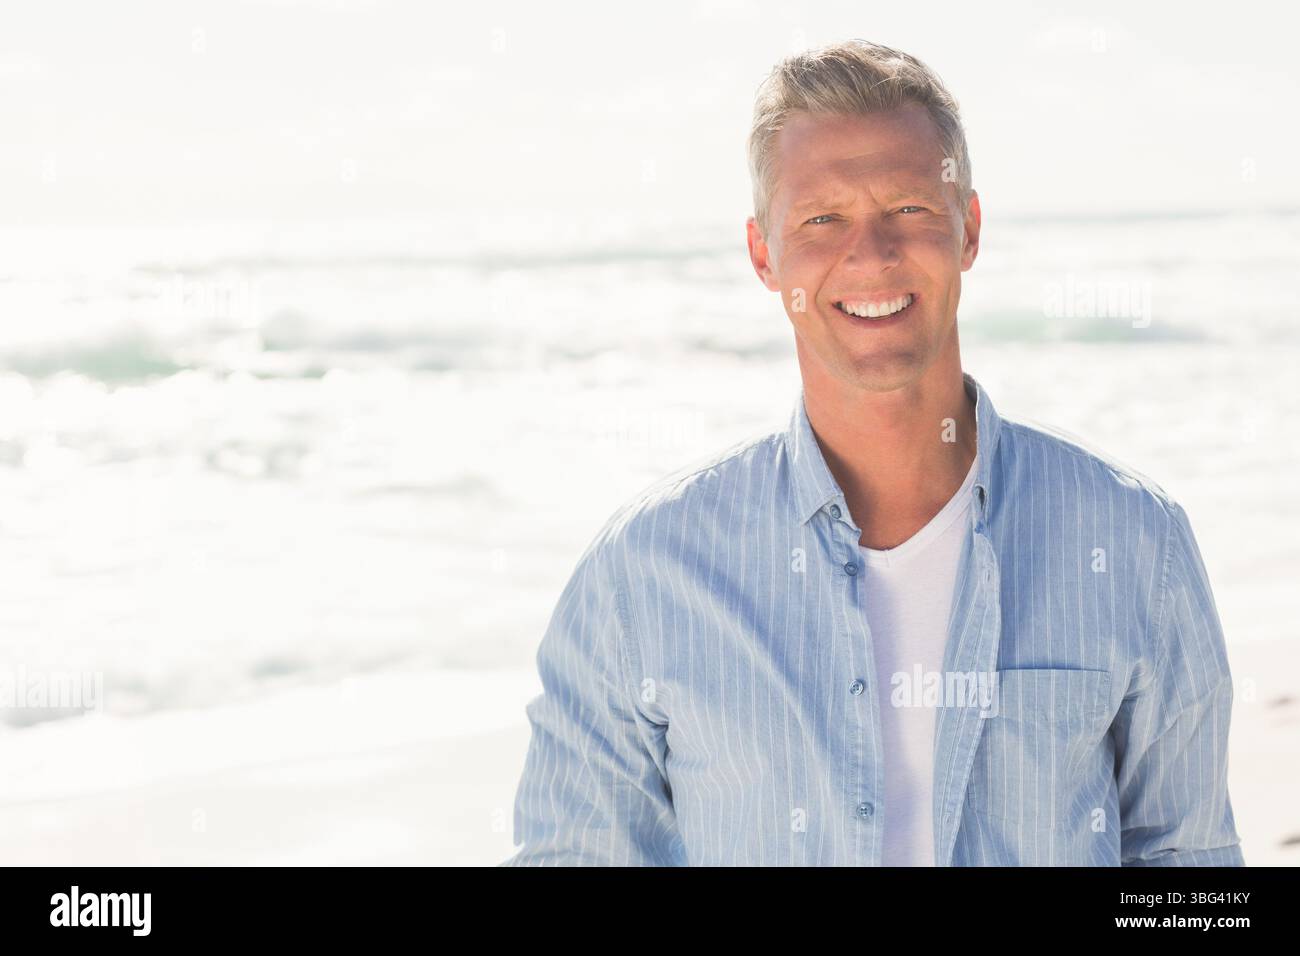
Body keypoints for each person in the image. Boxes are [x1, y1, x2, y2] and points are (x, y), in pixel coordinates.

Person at [501, 39, 1245, 866]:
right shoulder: (641, 578)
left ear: (967, 229)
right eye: (822, 219)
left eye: (909, 209)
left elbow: (1191, 872)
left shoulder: (1136, 542)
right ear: (763, 254)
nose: (872, 254)